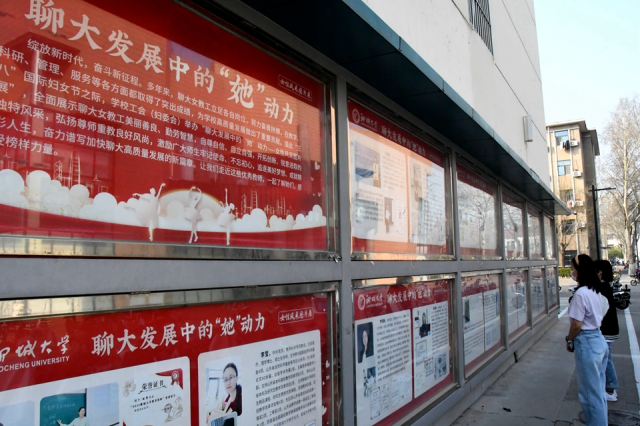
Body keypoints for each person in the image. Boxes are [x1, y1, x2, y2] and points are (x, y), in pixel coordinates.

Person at [566, 254, 608, 426]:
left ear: (580, 270)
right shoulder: (595, 290)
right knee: (598, 392)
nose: (572, 273)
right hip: (598, 340)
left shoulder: (581, 293)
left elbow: (577, 324)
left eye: (573, 269)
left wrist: (569, 339)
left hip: (587, 342)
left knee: (590, 395)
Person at [594, 259, 620, 402]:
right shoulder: (605, 286)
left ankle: (610, 389)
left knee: (606, 360)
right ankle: (609, 387)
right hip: (609, 328)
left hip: (607, 330)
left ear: (600, 272)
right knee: (606, 358)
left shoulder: (601, 287)